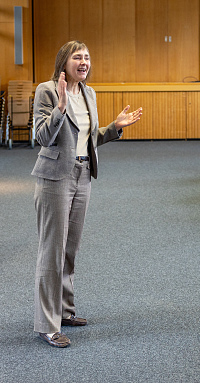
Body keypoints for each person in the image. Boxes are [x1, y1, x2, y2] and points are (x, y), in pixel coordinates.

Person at [32, 41, 143, 348]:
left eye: (87, 57)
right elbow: (41, 136)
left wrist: (113, 128)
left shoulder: (89, 93)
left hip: (83, 175)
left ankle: (65, 311)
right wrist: (59, 109)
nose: (84, 61)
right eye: (77, 57)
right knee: (52, 251)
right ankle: (46, 323)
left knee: (69, 249)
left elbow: (88, 138)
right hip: (55, 177)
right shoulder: (47, 90)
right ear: (63, 62)